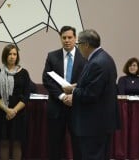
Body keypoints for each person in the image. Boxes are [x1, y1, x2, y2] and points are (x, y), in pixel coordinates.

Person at [63, 29, 120, 160]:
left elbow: (91, 94)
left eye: (78, 44)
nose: (78, 48)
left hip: (93, 124)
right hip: (99, 123)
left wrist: (73, 92)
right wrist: (76, 86)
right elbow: (95, 85)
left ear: (86, 44)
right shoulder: (103, 58)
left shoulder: (97, 63)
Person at [42, 25, 86, 160]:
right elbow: (47, 80)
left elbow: (87, 81)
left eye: (70, 37)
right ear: (60, 38)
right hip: (56, 107)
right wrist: (62, 96)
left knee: (79, 145)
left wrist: (74, 94)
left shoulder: (85, 57)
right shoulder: (52, 56)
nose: (67, 40)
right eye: (64, 38)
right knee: (55, 145)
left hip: (77, 107)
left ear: (75, 38)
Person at [0, 44, 31, 160]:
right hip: (2, 113)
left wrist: (14, 110)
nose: (12, 56)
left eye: (14, 54)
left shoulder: (24, 73)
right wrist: (7, 110)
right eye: (9, 54)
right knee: (4, 143)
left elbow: (26, 96)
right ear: (5, 56)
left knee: (17, 143)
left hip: (19, 114)